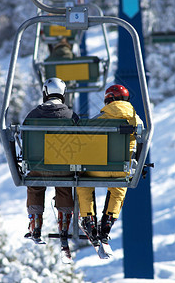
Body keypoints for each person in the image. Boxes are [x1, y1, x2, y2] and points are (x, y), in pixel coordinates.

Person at [77, 84, 143, 245]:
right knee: (118, 188)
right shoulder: (136, 119)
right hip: (121, 169)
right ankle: (107, 223)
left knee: (83, 182)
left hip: (97, 170)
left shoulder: (100, 120)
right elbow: (142, 142)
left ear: (109, 100)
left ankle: (89, 220)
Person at [24, 77, 79, 258]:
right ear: (63, 94)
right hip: (64, 168)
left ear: (45, 93)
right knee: (64, 186)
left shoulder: (32, 116)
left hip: (38, 167)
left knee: (35, 186)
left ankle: (36, 225)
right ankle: (64, 226)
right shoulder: (71, 116)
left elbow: (25, 141)